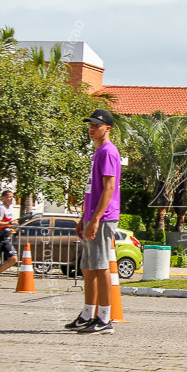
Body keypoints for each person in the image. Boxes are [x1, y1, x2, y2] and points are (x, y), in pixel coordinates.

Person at [64, 109, 121, 334]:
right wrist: (83, 217)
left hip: (104, 217)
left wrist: (96, 218)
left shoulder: (108, 151)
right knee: (88, 268)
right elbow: (93, 190)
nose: (92, 128)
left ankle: (105, 317)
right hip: (92, 216)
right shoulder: (98, 152)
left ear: (107, 128)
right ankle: (88, 313)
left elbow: (108, 188)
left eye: (96, 125)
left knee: (100, 267)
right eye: (90, 125)